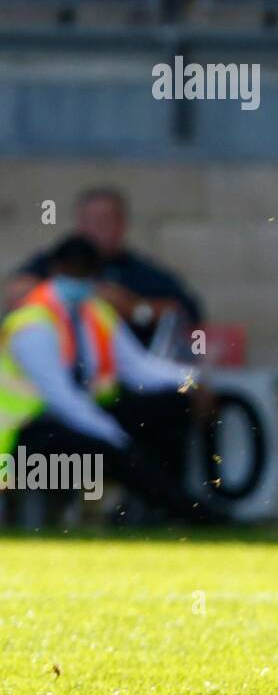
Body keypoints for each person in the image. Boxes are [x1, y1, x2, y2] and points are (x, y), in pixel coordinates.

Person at [0, 235, 220, 527]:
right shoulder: (31, 323)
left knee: (171, 406)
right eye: (73, 272)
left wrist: (192, 381)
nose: (79, 281)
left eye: (86, 273)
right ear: (55, 272)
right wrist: (114, 436)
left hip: (79, 415)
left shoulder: (95, 313)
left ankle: (167, 507)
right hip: (24, 434)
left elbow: (139, 368)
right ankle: (188, 513)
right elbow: (62, 398)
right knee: (108, 449)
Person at [7, 187, 204, 350]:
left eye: (104, 221)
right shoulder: (59, 259)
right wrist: (65, 293)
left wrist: (134, 309)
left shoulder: (139, 271)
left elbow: (185, 312)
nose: (96, 229)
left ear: (121, 225)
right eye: (89, 221)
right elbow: (16, 291)